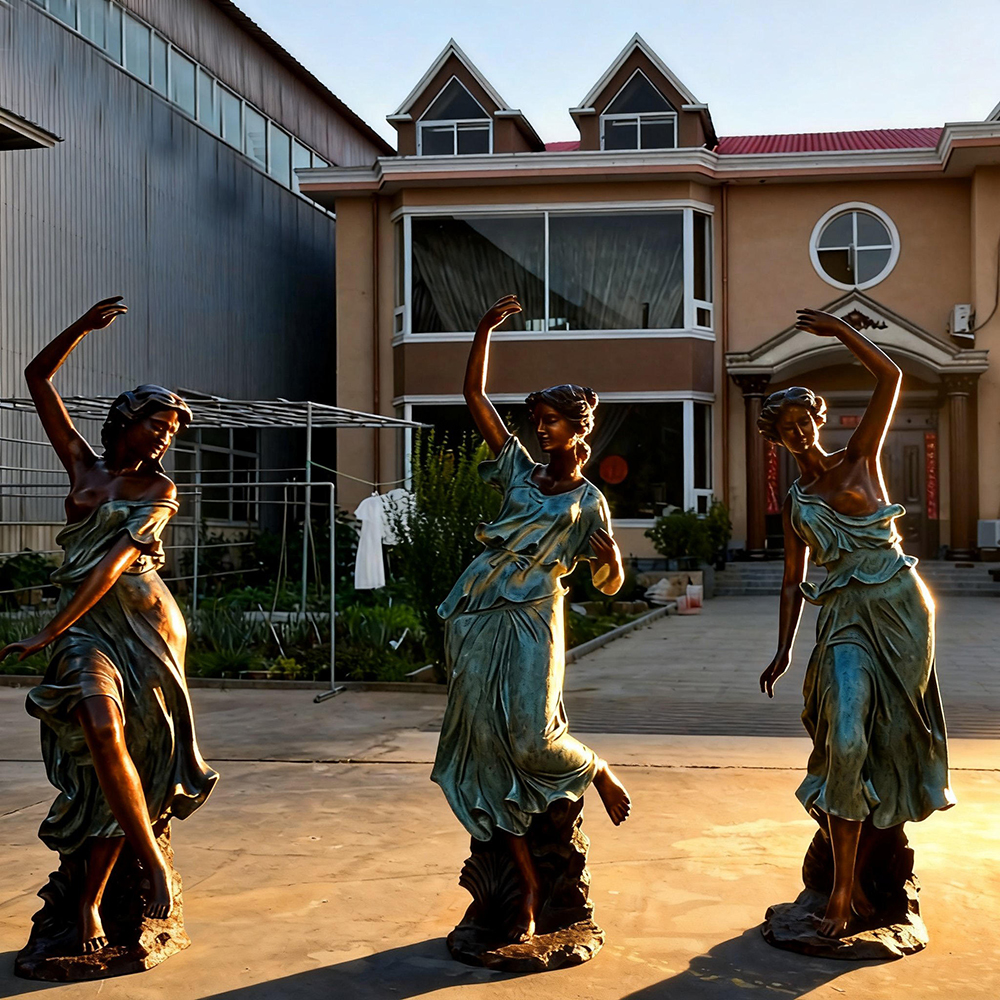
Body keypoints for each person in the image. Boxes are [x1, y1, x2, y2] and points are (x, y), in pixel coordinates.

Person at [1, 297, 218, 954]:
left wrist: (45, 629)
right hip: (87, 628)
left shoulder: (160, 493)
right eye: (156, 425)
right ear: (126, 419)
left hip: (143, 624)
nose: (163, 439)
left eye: (172, 434)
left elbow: (119, 561)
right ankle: (149, 865)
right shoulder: (82, 468)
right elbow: (38, 380)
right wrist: (80, 329)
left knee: (137, 763)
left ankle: (100, 897)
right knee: (100, 731)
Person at [431, 294, 631, 944]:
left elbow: (606, 585)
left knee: (531, 736)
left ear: (579, 428)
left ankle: (596, 769)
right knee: (488, 749)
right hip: (479, 606)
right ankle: (520, 900)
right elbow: (474, 398)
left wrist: (613, 559)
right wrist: (482, 329)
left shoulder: (590, 501)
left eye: (551, 421)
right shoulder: (517, 470)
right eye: (537, 420)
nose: (540, 429)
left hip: (535, 614)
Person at [757, 308, 954, 938]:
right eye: (783, 430)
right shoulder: (796, 504)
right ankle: (840, 895)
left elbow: (891, 377)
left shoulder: (862, 456)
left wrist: (844, 334)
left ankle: (867, 888)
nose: (796, 435)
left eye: (801, 422)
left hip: (899, 605)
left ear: (817, 420)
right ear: (777, 440)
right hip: (842, 615)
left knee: (888, 739)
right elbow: (793, 580)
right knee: (844, 741)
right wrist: (783, 649)